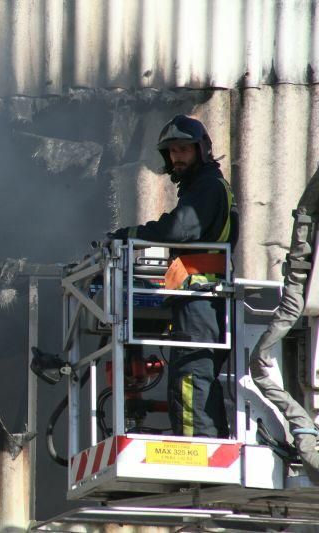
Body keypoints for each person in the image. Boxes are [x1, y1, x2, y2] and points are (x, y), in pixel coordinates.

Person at [109, 115, 238, 438]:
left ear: (201, 150)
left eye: (183, 149)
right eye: (172, 152)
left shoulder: (208, 187)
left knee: (192, 377)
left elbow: (178, 229)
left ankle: (201, 455)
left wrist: (130, 234)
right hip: (198, 301)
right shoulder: (201, 187)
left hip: (202, 302)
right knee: (190, 376)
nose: (177, 157)